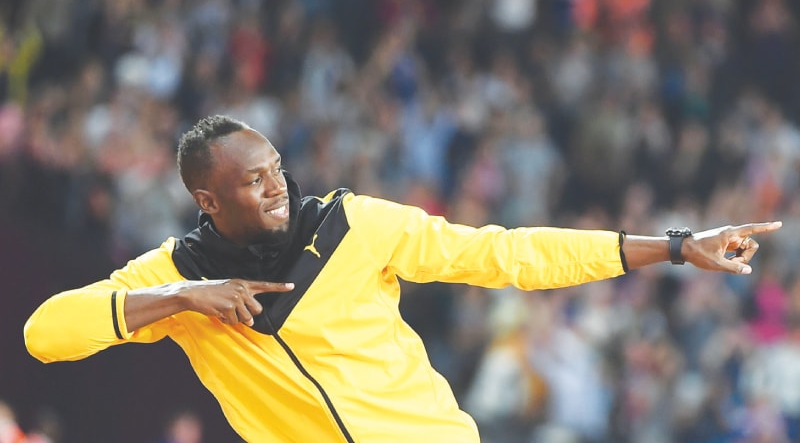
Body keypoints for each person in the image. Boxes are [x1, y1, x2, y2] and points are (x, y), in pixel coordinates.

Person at [24, 115, 782, 442]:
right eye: (254, 182)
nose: (278, 186)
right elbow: (43, 336)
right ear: (207, 200)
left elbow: (509, 254)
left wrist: (677, 246)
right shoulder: (177, 277)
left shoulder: (355, 226)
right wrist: (179, 298)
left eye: (278, 169)